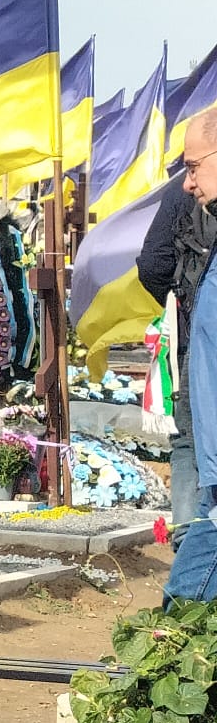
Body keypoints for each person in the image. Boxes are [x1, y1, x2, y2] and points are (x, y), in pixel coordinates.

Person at [139, 109, 217, 527]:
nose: (189, 181)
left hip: (191, 337)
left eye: (193, 167)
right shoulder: (195, 189)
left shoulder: (185, 193)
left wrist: (186, 307)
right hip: (195, 328)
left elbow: (153, 263)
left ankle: (191, 538)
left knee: (188, 442)